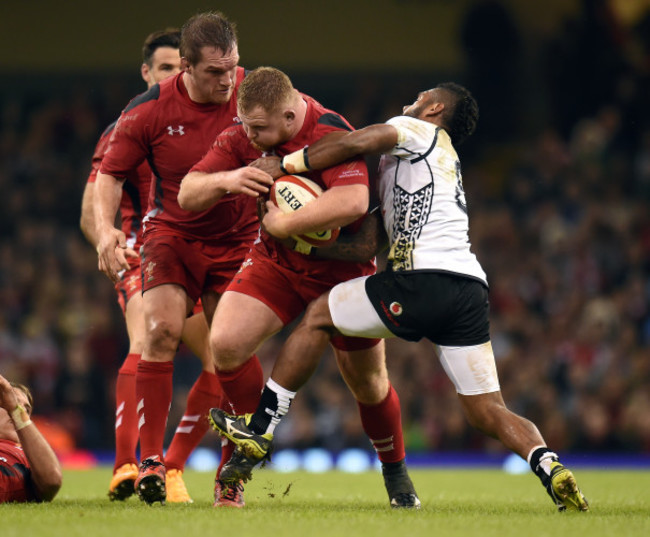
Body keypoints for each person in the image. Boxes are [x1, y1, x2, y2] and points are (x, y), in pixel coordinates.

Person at [216, 82, 590, 512]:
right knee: (488, 410)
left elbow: (359, 140)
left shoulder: (416, 130)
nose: (411, 99)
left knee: (318, 314)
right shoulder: (428, 165)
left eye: (421, 95)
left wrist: (285, 165)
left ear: (433, 108)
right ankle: (550, 465)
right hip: (469, 289)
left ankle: (261, 426)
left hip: (421, 280)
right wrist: (304, 243)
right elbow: (361, 249)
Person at [179, 66, 420, 509]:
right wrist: (227, 180)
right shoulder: (244, 133)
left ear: (290, 117)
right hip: (277, 264)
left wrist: (283, 222)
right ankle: (245, 455)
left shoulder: (331, 132)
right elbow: (188, 193)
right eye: (246, 125)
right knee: (226, 342)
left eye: (260, 128)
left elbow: (352, 202)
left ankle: (395, 471)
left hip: (342, 273)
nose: (249, 137)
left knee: (368, 385)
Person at [94, 12, 272, 507]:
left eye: (232, 67)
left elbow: (303, 126)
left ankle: (227, 477)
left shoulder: (252, 91)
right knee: (160, 333)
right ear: (186, 68)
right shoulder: (147, 110)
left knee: (230, 351)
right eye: (215, 72)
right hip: (172, 234)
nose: (227, 80)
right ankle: (150, 460)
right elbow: (109, 176)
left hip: (239, 239)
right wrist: (107, 231)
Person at [80, 28, 220, 504]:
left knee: (222, 358)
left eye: (179, 67)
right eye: (164, 68)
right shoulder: (134, 120)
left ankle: (171, 467)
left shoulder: (219, 114)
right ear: (146, 72)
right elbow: (93, 204)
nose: (174, 76)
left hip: (208, 250)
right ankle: (125, 465)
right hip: (146, 247)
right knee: (148, 338)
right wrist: (109, 243)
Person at [0, 374, 62, 503]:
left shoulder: (31, 457)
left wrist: (15, 410)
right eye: (7, 402)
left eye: (26, 411)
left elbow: (52, 481)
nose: (20, 409)